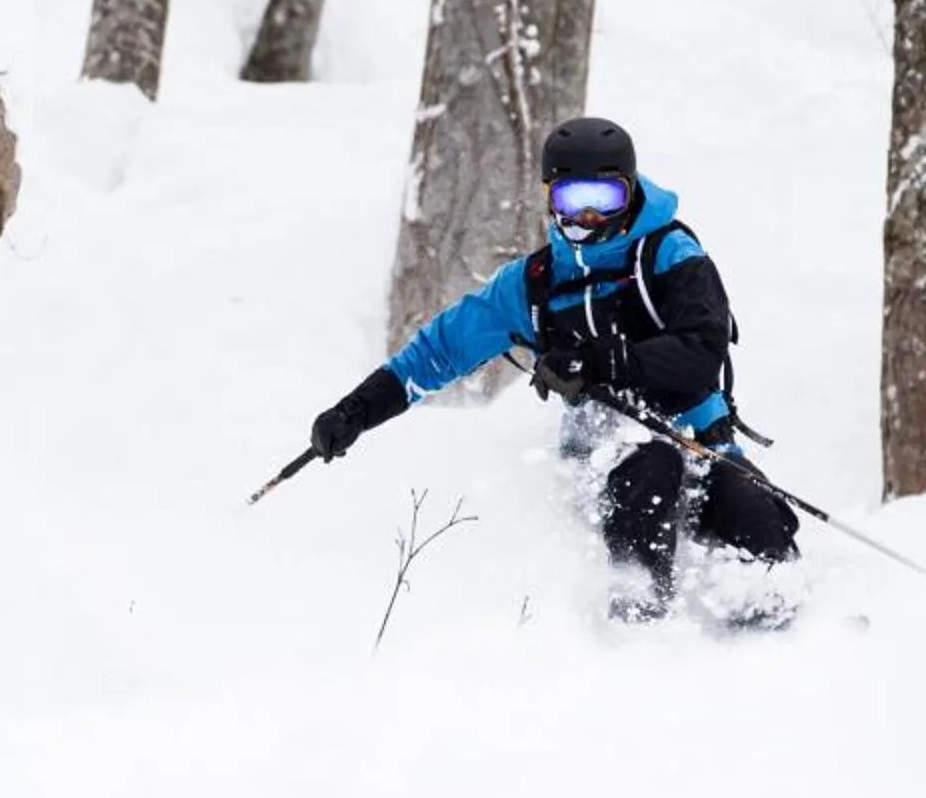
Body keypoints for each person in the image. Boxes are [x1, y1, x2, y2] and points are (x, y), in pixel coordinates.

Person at [307, 116, 801, 622]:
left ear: (630, 192)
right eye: (571, 199)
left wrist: (601, 360)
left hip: (701, 437)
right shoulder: (535, 283)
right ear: (548, 196)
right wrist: (355, 411)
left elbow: (702, 352)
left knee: (751, 511)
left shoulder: (670, 255)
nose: (587, 216)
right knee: (654, 468)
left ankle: (774, 621)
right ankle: (638, 622)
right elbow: (439, 351)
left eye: (604, 198)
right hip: (607, 449)